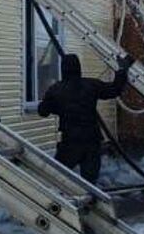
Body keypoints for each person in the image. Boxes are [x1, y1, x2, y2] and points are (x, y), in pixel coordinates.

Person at [38, 52, 134, 184]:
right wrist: (122, 70)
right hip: (91, 141)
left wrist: (58, 107)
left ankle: (56, 203)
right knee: (90, 183)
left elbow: (42, 111)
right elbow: (114, 90)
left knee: (57, 177)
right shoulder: (91, 85)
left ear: (63, 69)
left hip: (70, 141)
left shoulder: (56, 89)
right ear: (78, 68)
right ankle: (91, 202)